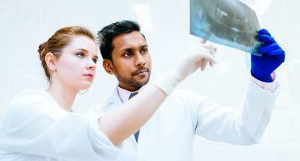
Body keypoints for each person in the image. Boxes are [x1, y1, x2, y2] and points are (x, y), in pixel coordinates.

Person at [0, 26, 217, 161]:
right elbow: (99, 136)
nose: (91, 64)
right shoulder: (28, 106)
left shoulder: (77, 119)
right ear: (51, 61)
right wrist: (176, 74)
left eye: (93, 59)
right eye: (80, 55)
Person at [91, 20, 285, 161]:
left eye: (143, 50)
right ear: (109, 67)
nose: (140, 60)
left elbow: (246, 131)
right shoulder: (96, 118)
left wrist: (261, 77)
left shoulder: (185, 103)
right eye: (127, 53)